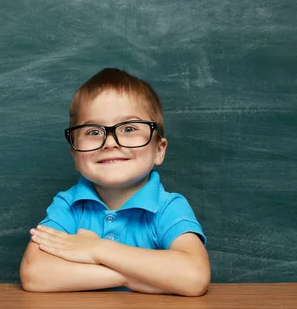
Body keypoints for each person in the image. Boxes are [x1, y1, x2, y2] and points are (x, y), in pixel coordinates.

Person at [19, 68, 210, 296]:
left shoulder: (168, 207)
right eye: (92, 131)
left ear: (159, 150)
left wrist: (97, 249)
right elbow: (35, 274)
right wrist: (130, 277)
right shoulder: (68, 205)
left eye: (129, 128)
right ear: (75, 156)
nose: (109, 142)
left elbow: (194, 276)